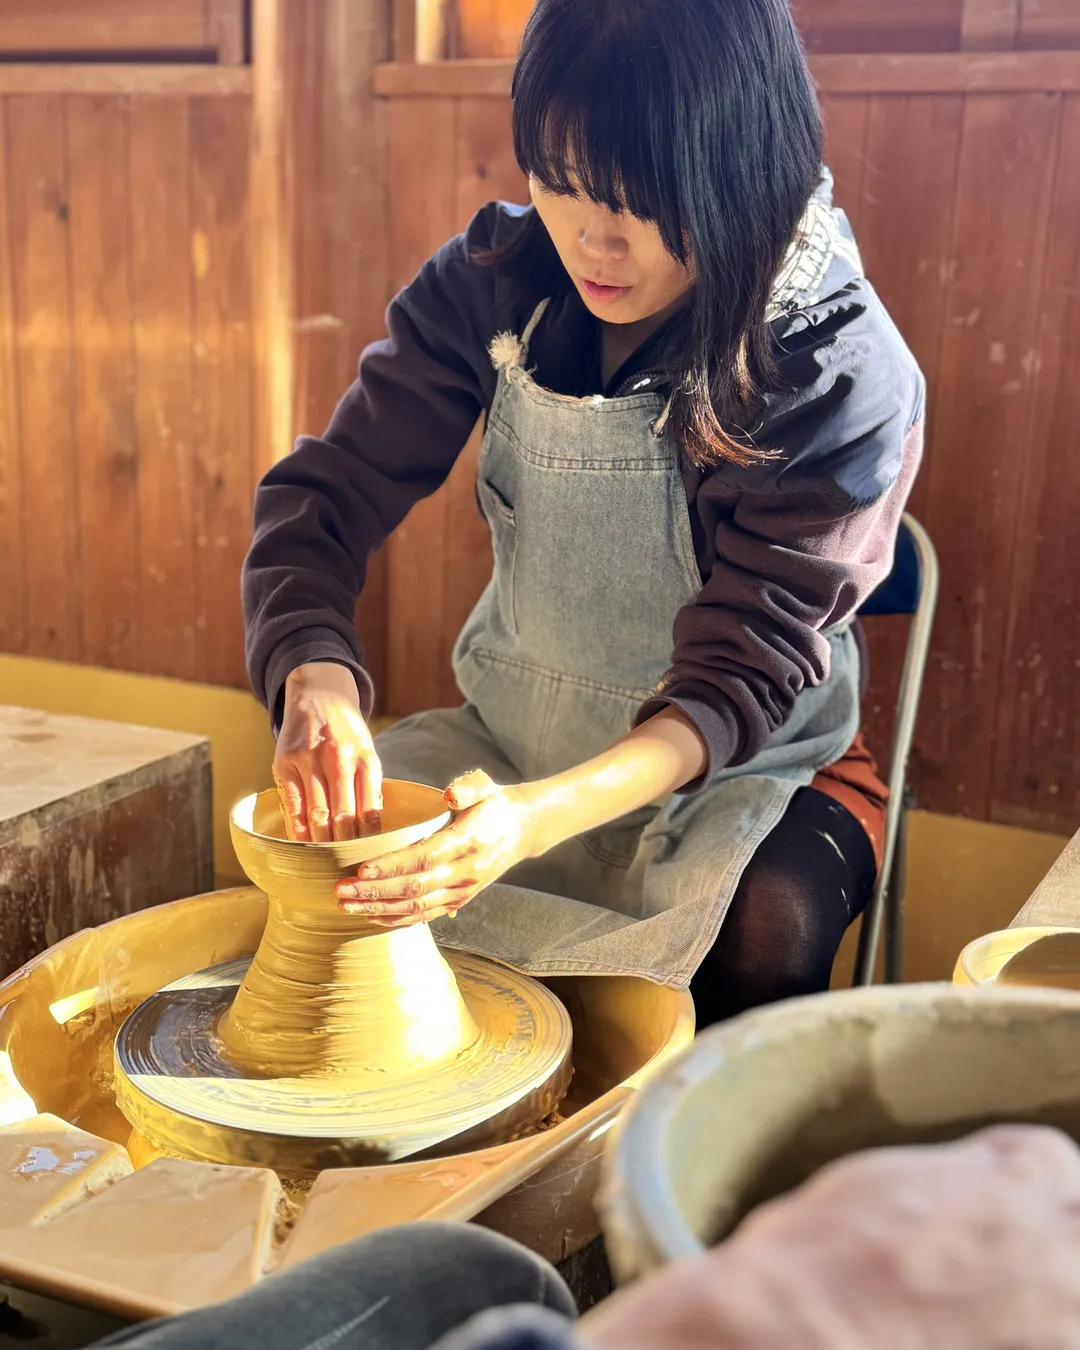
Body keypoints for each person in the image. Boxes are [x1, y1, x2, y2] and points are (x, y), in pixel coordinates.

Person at [242, 0, 924, 1024]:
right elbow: (325, 495)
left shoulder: (830, 363)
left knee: (760, 930)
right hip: (517, 747)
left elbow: (736, 683)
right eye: (560, 184)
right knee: (324, 876)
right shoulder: (498, 283)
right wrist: (315, 671)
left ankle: (668, 1180)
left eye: (643, 201)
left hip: (746, 768)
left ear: (745, 164)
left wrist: (530, 825)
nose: (593, 241)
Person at [91, 1127, 1080, 1349]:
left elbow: (753, 666)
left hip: (724, 759)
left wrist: (539, 817)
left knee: (462, 1270)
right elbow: (303, 574)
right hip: (502, 741)